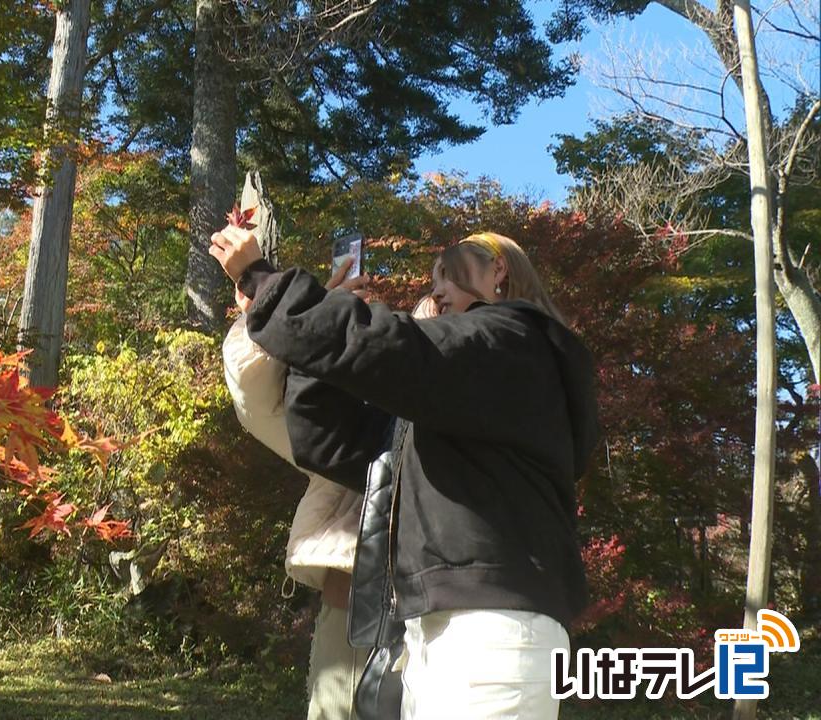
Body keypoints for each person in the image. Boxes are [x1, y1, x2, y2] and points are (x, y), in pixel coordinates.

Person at [209, 228, 599, 719]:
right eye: (432, 279)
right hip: (434, 636)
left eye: (448, 274)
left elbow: (392, 347)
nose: (435, 291)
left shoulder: (516, 342)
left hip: (495, 637)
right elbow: (334, 443)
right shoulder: (462, 401)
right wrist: (311, 350)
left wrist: (264, 280)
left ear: (498, 270)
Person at [223, 257, 440, 719]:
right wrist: (309, 316)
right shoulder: (357, 405)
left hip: (452, 615)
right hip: (355, 605)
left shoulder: (480, 404)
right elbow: (256, 397)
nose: (440, 308)